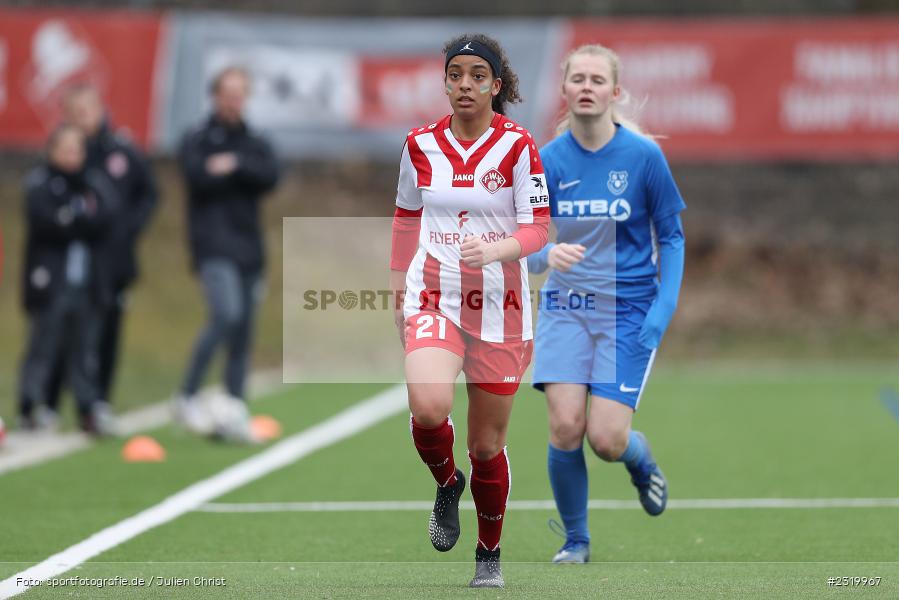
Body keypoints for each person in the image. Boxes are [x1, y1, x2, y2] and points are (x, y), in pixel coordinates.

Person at [389, 34, 549, 588]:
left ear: (496, 86)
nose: (465, 85)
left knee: (487, 446)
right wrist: (396, 285)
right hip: (434, 292)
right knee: (429, 406)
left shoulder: (518, 146)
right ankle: (445, 480)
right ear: (445, 81)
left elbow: (537, 228)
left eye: (477, 76)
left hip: (501, 305)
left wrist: (497, 248)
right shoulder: (418, 144)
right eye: (456, 74)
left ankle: (488, 554)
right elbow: (407, 214)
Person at [527, 44, 686, 564]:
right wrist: (549, 251)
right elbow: (519, 248)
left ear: (614, 93)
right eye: (579, 78)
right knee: (565, 425)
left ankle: (639, 460)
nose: (588, 86)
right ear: (566, 90)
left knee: (605, 439)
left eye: (598, 79)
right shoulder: (545, 162)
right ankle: (576, 541)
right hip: (565, 308)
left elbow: (673, 237)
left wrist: (662, 309)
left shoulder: (643, 158)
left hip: (630, 312)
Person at [41, 84, 158, 423]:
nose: (81, 120)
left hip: (112, 260)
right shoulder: (61, 155)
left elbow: (148, 193)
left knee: (106, 328)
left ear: (100, 110)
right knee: (61, 331)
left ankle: (98, 402)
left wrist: (128, 230)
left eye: (86, 112)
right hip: (69, 259)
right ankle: (49, 402)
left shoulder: (121, 151)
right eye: (74, 114)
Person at [174, 66, 279, 442]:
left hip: (249, 246)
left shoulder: (253, 138)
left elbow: (269, 175)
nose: (233, 100)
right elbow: (196, 175)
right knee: (226, 314)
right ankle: (187, 395)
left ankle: (233, 405)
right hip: (213, 245)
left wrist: (233, 165)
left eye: (240, 93)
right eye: (227, 93)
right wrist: (229, 170)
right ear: (215, 96)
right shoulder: (199, 137)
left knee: (243, 331)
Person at [18, 124, 118, 435]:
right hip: (52, 280)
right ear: (52, 151)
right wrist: (78, 220)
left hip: (87, 281)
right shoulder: (41, 182)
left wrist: (74, 219)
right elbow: (47, 222)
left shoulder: (93, 184)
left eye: (77, 150)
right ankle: (31, 408)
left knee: (85, 349)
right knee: (43, 346)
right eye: (66, 150)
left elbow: (106, 217)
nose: (72, 156)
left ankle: (88, 409)